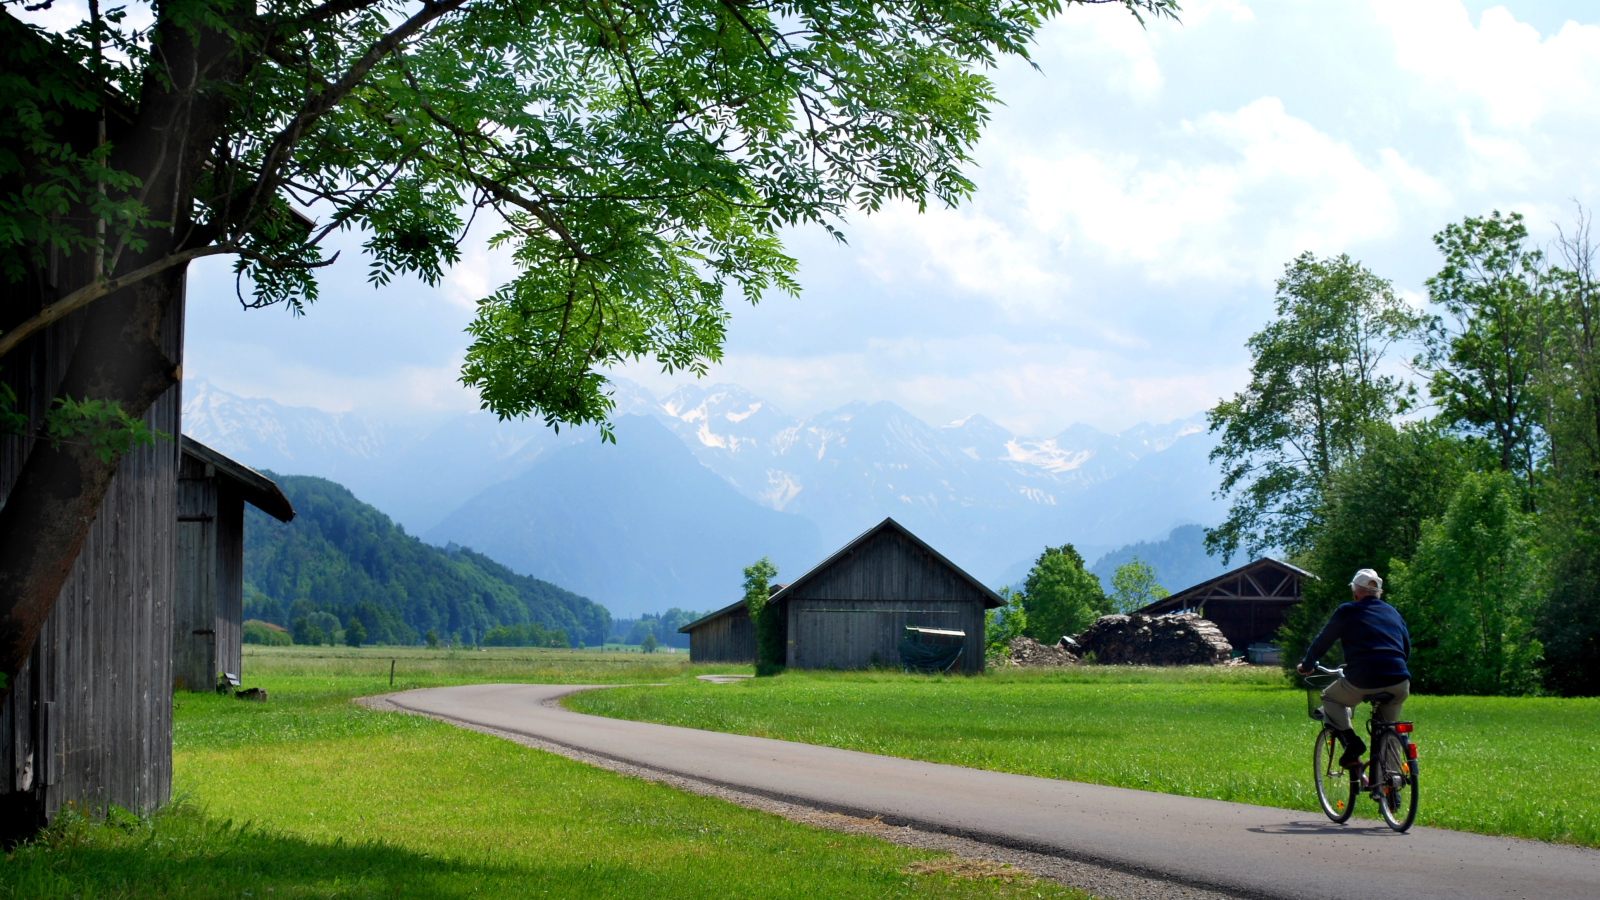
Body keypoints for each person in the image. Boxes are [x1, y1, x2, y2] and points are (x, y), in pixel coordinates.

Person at [1296, 569, 1411, 769]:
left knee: (1329, 698)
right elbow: (1406, 648)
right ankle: (1391, 787)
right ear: (1379, 594)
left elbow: (1323, 640)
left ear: (1355, 593)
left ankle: (1352, 742)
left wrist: (1307, 665)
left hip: (1363, 679)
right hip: (1399, 681)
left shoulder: (1347, 611)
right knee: (1388, 728)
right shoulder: (1393, 612)